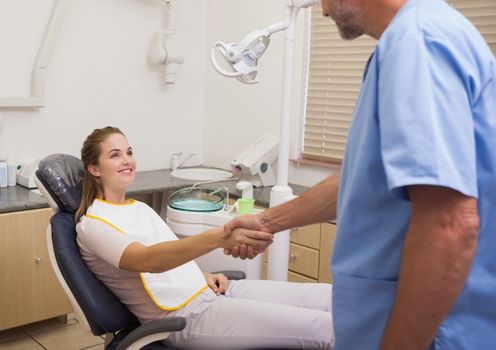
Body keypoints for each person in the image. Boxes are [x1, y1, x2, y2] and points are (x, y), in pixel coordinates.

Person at [224, 0, 496, 349]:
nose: (322, 11)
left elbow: (449, 225)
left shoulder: (418, 44)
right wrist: (269, 221)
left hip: (436, 335)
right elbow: (363, 181)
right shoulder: (419, 37)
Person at [75, 126, 334, 350]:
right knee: (326, 329)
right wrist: (219, 238)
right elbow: (148, 260)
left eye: (129, 152)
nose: (127, 160)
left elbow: (170, 253)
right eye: (115, 155)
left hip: (212, 291)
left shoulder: (138, 208)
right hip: (185, 316)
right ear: (94, 168)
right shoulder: (93, 225)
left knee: (330, 297)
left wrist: (201, 276)